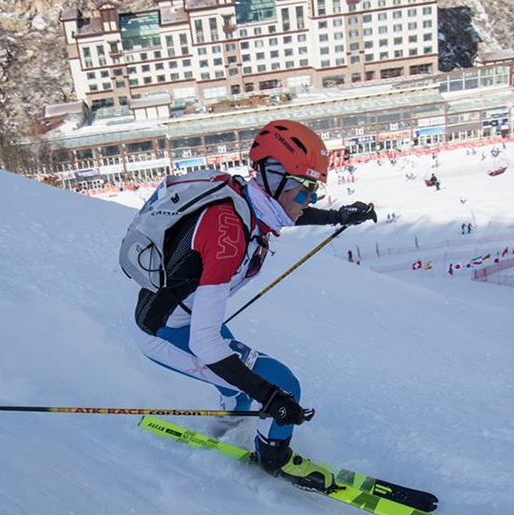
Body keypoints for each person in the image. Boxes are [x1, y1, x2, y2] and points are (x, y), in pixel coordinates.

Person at [129, 120, 377, 493]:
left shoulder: (247, 199)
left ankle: (220, 429)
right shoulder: (227, 232)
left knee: (242, 389)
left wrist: (338, 217)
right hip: (167, 331)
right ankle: (272, 458)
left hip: (187, 313)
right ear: (273, 177)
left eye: (315, 190)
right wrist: (273, 398)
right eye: (306, 189)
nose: (309, 200)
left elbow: (289, 211)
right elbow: (206, 344)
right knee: (282, 382)